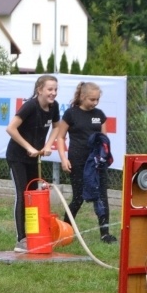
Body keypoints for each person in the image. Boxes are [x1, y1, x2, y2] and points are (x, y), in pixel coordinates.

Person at [55, 81, 116, 243]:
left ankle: (105, 233)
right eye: (92, 100)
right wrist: (63, 158)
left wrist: (103, 156)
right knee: (78, 197)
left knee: (102, 196)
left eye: (97, 100)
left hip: (96, 163)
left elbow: (104, 140)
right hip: (78, 161)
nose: (95, 103)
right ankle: (65, 229)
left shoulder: (100, 115)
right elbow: (60, 137)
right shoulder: (70, 114)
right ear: (82, 97)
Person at [5, 75, 60, 253]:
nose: (53, 93)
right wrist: (28, 147)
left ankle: (35, 234)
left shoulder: (54, 106)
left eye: (55, 89)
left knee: (34, 195)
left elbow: (57, 127)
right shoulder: (30, 106)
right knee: (22, 194)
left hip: (34, 157)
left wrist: (47, 145)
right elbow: (10, 128)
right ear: (40, 90)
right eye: (50, 89)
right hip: (17, 156)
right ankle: (21, 239)